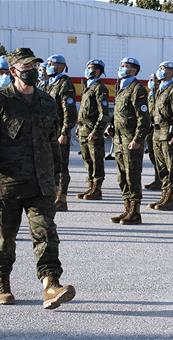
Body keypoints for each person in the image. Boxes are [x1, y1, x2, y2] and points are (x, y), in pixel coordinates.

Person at [0, 48, 75, 309]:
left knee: (46, 234)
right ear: (13, 71)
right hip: (6, 185)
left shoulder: (47, 101)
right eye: (27, 66)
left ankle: (51, 285)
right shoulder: (2, 101)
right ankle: (2, 284)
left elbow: (52, 141)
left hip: (40, 182)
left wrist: (56, 176)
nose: (32, 71)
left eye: (35, 66)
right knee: (4, 238)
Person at [109, 57, 150, 225]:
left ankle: (135, 212)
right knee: (122, 177)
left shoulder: (137, 89)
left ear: (134, 70)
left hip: (130, 140)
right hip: (118, 140)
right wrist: (111, 127)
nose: (121, 68)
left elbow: (143, 118)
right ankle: (126, 208)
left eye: (125, 66)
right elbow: (119, 114)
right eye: (121, 65)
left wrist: (138, 139)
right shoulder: (121, 88)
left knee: (132, 176)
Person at [44, 54, 78, 212]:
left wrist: (65, 132)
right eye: (49, 63)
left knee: (61, 166)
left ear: (62, 66)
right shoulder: (51, 83)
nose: (49, 65)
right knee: (49, 166)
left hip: (59, 132)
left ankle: (61, 199)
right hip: (48, 132)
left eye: (52, 63)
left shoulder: (64, 84)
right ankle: (53, 195)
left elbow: (70, 112)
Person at [148, 61, 173, 211]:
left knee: (170, 167)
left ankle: (170, 198)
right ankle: (164, 194)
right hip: (156, 133)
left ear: (171, 72)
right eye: (160, 68)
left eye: (164, 69)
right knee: (161, 167)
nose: (160, 71)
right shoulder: (159, 89)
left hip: (167, 134)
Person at [76, 59, 110, 200]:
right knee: (87, 160)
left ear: (98, 72)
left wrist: (97, 131)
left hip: (92, 130)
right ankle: (90, 186)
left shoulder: (100, 88)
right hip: (84, 129)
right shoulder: (87, 86)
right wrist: (79, 126)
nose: (89, 70)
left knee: (96, 160)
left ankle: (97, 189)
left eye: (92, 68)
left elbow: (104, 113)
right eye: (88, 67)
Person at [144, 73, 162, 191]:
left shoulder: (161, 94)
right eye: (150, 80)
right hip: (150, 128)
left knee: (159, 156)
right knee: (152, 155)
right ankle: (157, 179)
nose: (152, 82)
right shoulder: (150, 94)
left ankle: (161, 181)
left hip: (158, 129)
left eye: (155, 80)